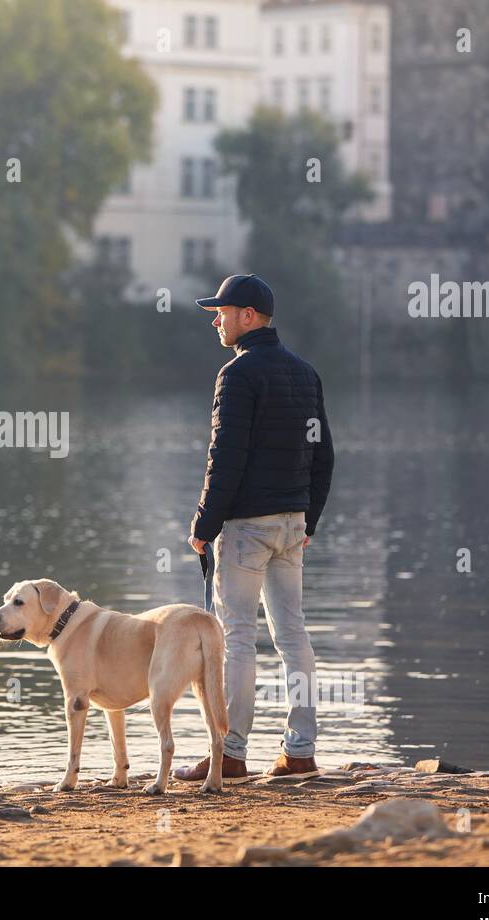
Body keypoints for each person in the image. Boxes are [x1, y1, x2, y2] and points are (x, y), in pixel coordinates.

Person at [175, 274, 335, 785]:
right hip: (291, 524)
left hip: (246, 528)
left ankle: (232, 755)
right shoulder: (305, 373)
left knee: (237, 638)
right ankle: (302, 751)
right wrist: (309, 517)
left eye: (221, 311)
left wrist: (203, 524)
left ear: (249, 316)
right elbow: (324, 454)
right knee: (293, 635)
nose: (215, 320)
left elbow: (225, 460)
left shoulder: (237, 375)